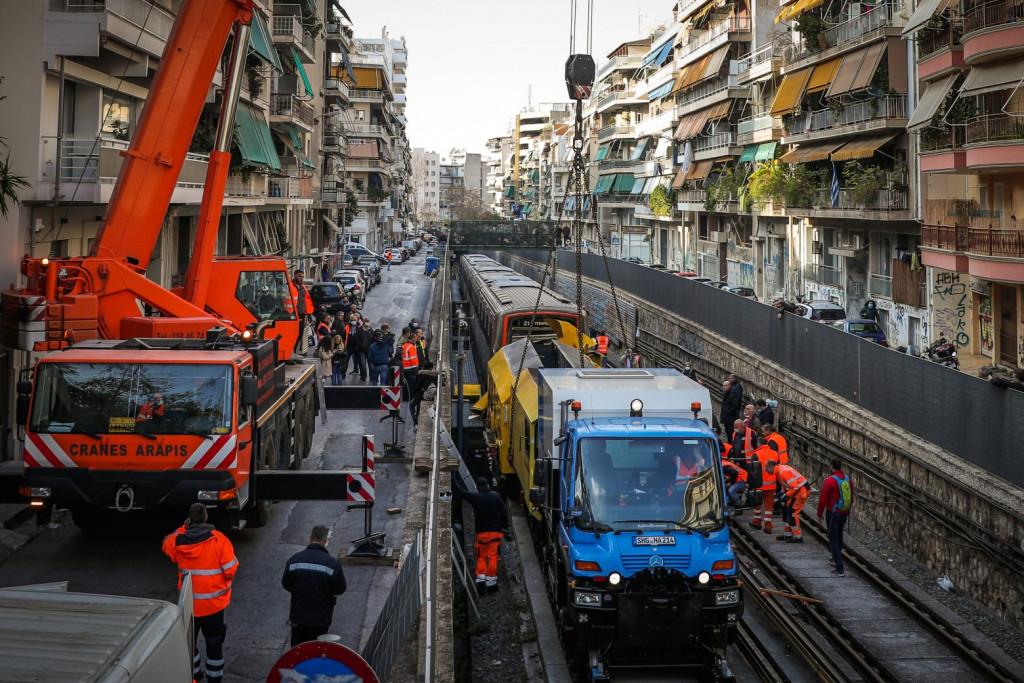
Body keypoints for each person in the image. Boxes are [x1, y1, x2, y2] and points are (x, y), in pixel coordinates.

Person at [162, 503, 238, 682]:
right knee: (214, 645)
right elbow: (230, 570)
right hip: (214, 606)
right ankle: (214, 678)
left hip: (189, 606)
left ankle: (194, 675)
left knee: (190, 644)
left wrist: (182, 528)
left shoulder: (179, 540)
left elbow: (166, 543)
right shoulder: (219, 540)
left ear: (189, 520)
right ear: (206, 518)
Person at [281, 524, 347, 647]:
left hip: (298, 617)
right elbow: (340, 589)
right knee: (317, 651)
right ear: (325, 541)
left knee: (297, 652)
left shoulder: (294, 560)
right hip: (321, 619)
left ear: (310, 538)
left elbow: (286, 584)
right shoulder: (333, 564)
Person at [451, 474, 509, 592]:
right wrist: (505, 527)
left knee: (481, 557)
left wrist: (453, 479)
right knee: (493, 556)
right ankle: (491, 582)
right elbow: (504, 513)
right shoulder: (496, 496)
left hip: (481, 533)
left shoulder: (475, 497)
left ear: (477, 487)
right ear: (488, 485)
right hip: (495, 533)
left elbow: (461, 492)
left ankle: (481, 580)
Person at [817, 458, 854, 577]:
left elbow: (823, 499)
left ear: (831, 466)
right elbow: (851, 497)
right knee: (839, 535)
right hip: (844, 511)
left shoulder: (830, 480)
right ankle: (835, 559)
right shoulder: (848, 479)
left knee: (832, 537)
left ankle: (840, 568)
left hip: (832, 512)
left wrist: (819, 513)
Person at [775, 462, 810, 543]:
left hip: (801, 492)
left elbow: (794, 486)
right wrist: (784, 495)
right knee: (785, 510)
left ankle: (798, 537)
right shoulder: (780, 471)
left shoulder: (782, 472)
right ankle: (788, 534)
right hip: (797, 491)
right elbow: (787, 485)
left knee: (792, 513)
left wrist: (785, 496)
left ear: (771, 467)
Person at [748, 437, 776, 533]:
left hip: (759, 485)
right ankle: (768, 527)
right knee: (769, 508)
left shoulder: (756, 454)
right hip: (772, 486)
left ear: (759, 443)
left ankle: (757, 523)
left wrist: (750, 485)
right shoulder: (774, 453)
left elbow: (751, 471)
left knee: (757, 506)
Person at [290, 269, 313, 360]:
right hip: (292, 315)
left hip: (302, 314)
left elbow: (306, 301)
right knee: (292, 334)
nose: (301, 278)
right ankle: (290, 353)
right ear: (295, 276)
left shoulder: (302, 287)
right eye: (300, 276)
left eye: (303, 276)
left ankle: (294, 352)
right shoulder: (290, 286)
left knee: (299, 334)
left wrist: (309, 314)